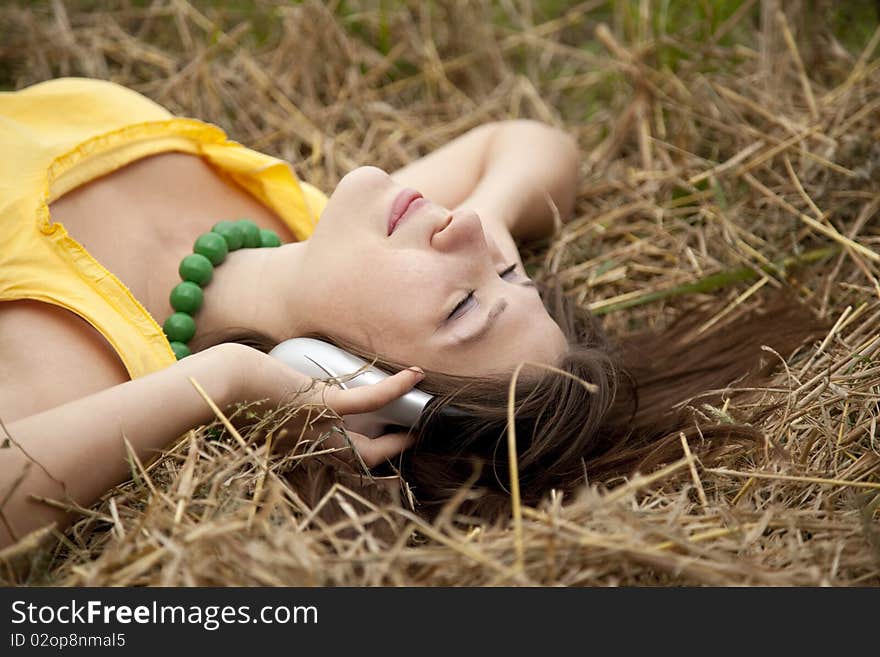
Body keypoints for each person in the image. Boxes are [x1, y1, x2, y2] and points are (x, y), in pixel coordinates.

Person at [0, 78, 821, 549]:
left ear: (350, 380)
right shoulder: (306, 223)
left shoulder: (82, 352)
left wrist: (227, 379)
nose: (460, 227)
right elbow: (533, 141)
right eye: (508, 269)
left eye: (466, 304)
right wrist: (496, 221)